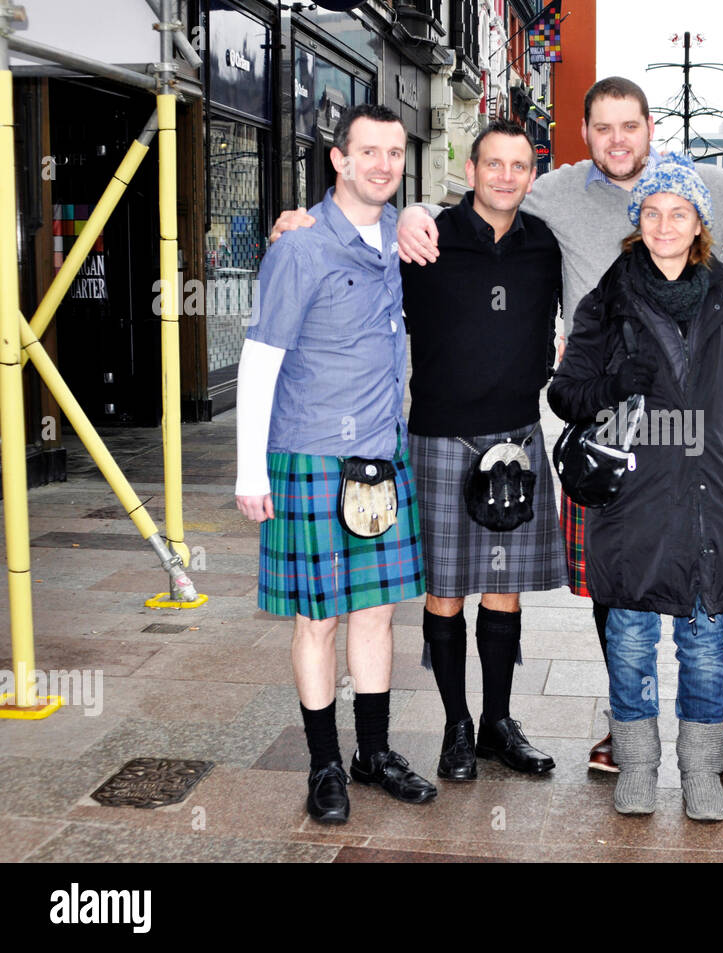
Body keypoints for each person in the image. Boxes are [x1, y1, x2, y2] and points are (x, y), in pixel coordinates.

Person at [271, 76, 723, 779]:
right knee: (586, 591)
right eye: (603, 127)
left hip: (652, 435)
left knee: (676, 594)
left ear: (649, 128)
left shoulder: (693, 188)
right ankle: (545, 723)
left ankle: (687, 725)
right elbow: (415, 212)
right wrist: (314, 220)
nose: (618, 139)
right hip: (574, 430)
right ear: (583, 136)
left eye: (630, 126)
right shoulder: (527, 203)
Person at [547, 153, 723, 821]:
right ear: (636, 221)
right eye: (652, 212)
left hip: (711, 500)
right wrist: (618, 382)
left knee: (703, 644)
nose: (665, 224)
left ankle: (701, 771)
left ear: (698, 221)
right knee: (633, 640)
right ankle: (638, 765)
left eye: (679, 212)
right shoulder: (607, 299)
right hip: (636, 502)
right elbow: (565, 393)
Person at [235, 104, 436, 825]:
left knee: (377, 613)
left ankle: (373, 754)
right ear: (338, 160)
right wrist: (248, 471)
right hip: (311, 456)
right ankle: (324, 762)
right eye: (369, 152)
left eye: (394, 153)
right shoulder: (300, 246)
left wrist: (415, 210)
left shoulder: (397, 235)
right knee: (317, 619)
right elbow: (260, 358)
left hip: (380, 453)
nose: (384, 164)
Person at [400, 118, 564, 780]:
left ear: (531, 175)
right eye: (492, 164)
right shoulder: (426, 236)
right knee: (446, 590)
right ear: (470, 171)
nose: (504, 176)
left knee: (504, 590)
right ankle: (456, 726)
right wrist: (294, 224)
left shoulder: (544, 244)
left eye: (517, 166)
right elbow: (355, 236)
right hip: (441, 434)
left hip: (517, 437)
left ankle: (497, 721)